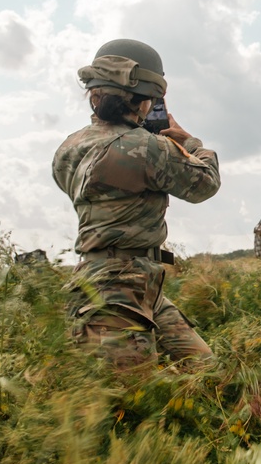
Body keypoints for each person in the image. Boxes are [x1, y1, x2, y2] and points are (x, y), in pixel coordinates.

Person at [53, 38, 221, 369]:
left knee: (205, 373)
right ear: (142, 98)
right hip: (118, 291)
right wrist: (189, 142)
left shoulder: (68, 147)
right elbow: (205, 184)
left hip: (129, 284)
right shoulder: (145, 147)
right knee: (132, 402)